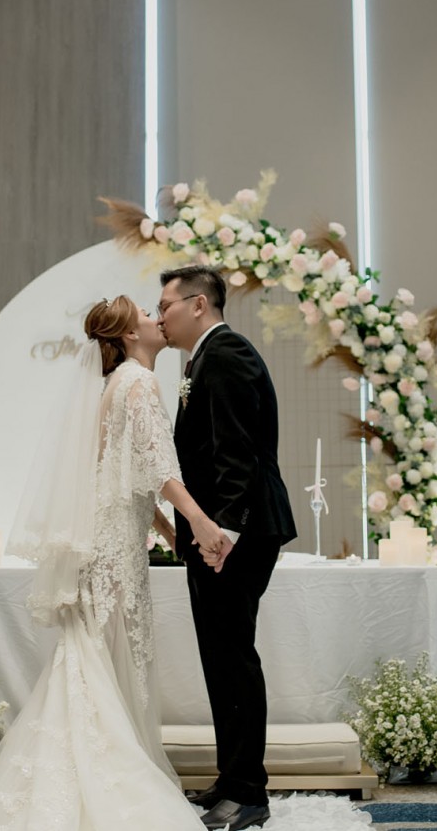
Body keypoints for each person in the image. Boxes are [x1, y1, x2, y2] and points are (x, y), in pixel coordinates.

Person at [0, 296, 225, 830]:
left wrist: (165, 532)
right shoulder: (138, 382)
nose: (158, 319)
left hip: (110, 540)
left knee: (95, 654)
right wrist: (199, 523)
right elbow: (158, 468)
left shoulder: (113, 386)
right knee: (103, 657)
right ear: (129, 335)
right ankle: (105, 775)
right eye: (146, 315)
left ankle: (81, 767)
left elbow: (121, 473)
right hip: (115, 550)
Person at [156, 265, 297, 831]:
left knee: (233, 656)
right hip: (215, 532)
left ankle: (249, 793)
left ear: (198, 304)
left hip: (237, 532)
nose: (159, 317)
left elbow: (236, 451)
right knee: (219, 656)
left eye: (164, 306)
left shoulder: (227, 352)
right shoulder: (202, 359)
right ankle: (232, 776)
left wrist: (225, 533)